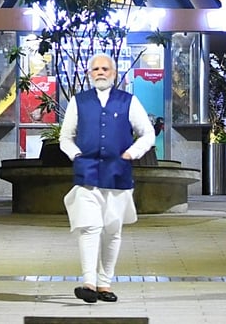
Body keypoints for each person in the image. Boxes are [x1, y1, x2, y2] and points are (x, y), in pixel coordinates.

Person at [59, 53, 156, 303]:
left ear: (114, 73)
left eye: (105, 68)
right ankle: (88, 283)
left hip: (118, 173)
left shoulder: (128, 101)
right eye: (96, 69)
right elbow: (65, 137)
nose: (100, 72)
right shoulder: (78, 101)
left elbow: (147, 134)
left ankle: (105, 284)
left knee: (112, 230)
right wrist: (76, 155)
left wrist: (132, 153)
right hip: (86, 173)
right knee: (89, 227)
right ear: (90, 74)